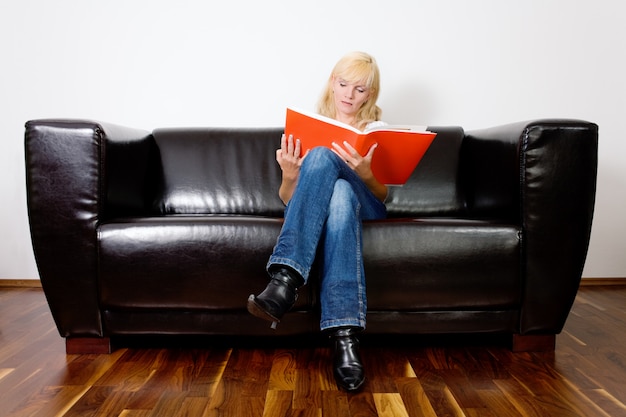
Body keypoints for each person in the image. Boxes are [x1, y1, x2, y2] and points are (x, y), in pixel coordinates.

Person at [247, 51, 387, 392]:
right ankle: (345, 339)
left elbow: (381, 197)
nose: (349, 95)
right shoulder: (309, 126)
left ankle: (285, 280)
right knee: (338, 194)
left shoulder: (377, 130)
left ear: (371, 93)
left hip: (368, 207)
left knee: (327, 161)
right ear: (331, 83)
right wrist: (290, 174)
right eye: (343, 84)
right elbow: (288, 200)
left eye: (360, 89)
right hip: (340, 208)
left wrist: (367, 174)